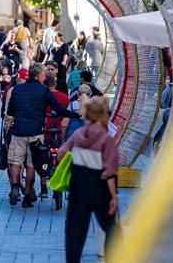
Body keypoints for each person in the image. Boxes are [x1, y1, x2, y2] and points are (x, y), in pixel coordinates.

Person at [4, 69, 76, 208]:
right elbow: (57, 107)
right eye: (43, 75)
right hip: (36, 132)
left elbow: (11, 111)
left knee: (15, 161)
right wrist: (73, 115)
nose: (44, 77)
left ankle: (14, 187)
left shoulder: (17, 89)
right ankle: (27, 197)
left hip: (18, 131)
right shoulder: (43, 90)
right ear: (38, 75)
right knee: (31, 165)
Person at [59, 97, 119, 263]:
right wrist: (113, 197)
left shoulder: (79, 134)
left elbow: (61, 153)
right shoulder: (105, 139)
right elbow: (109, 171)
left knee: (75, 231)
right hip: (100, 191)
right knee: (112, 229)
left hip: (78, 190)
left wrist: (77, 164)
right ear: (101, 115)